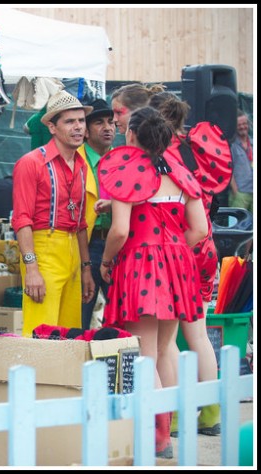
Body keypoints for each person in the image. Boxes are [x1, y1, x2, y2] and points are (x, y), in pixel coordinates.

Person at [98, 106, 208, 458]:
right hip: (178, 264)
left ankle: (157, 438)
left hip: (140, 265)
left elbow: (120, 230)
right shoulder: (179, 171)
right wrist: (172, 251)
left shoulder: (126, 171)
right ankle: (168, 431)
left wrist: (107, 260)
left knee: (143, 354)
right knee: (164, 349)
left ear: (131, 135)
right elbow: (200, 230)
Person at [150, 91, 233, 437]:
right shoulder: (198, 147)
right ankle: (211, 414)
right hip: (205, 244)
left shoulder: (161, 156)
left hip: (176, 245)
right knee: (198, 334)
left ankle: (177, 416)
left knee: (166, 341)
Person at [11, 90, 95, 337]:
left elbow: (80, 222)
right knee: (41, 333)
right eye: (70, 121)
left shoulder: (80, 163)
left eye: (81, 121)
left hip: (73, 252)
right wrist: (32, 269)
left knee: (70, 335)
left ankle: (61, 378)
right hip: (43, 249)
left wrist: (86, 268)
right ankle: (34, 378)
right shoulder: (31, 162)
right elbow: (21, 220)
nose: (78, 127)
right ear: (51, 127)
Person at [78, 99, 115, 330]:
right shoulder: (75, 158)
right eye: (99, 122)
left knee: (120, 317)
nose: (108, 127)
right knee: (81, 313)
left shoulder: (123, 159)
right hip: (85, 244)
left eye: (111, 122)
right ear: (86, 130)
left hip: (117, 242)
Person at [229, 109, 253, 212]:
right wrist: (236, 192)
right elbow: (228, 170)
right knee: (238, 226)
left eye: (244, 123)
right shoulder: (232, 145)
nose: (243, 127)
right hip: (240, 194)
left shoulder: (253, 142)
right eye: (239, 125)